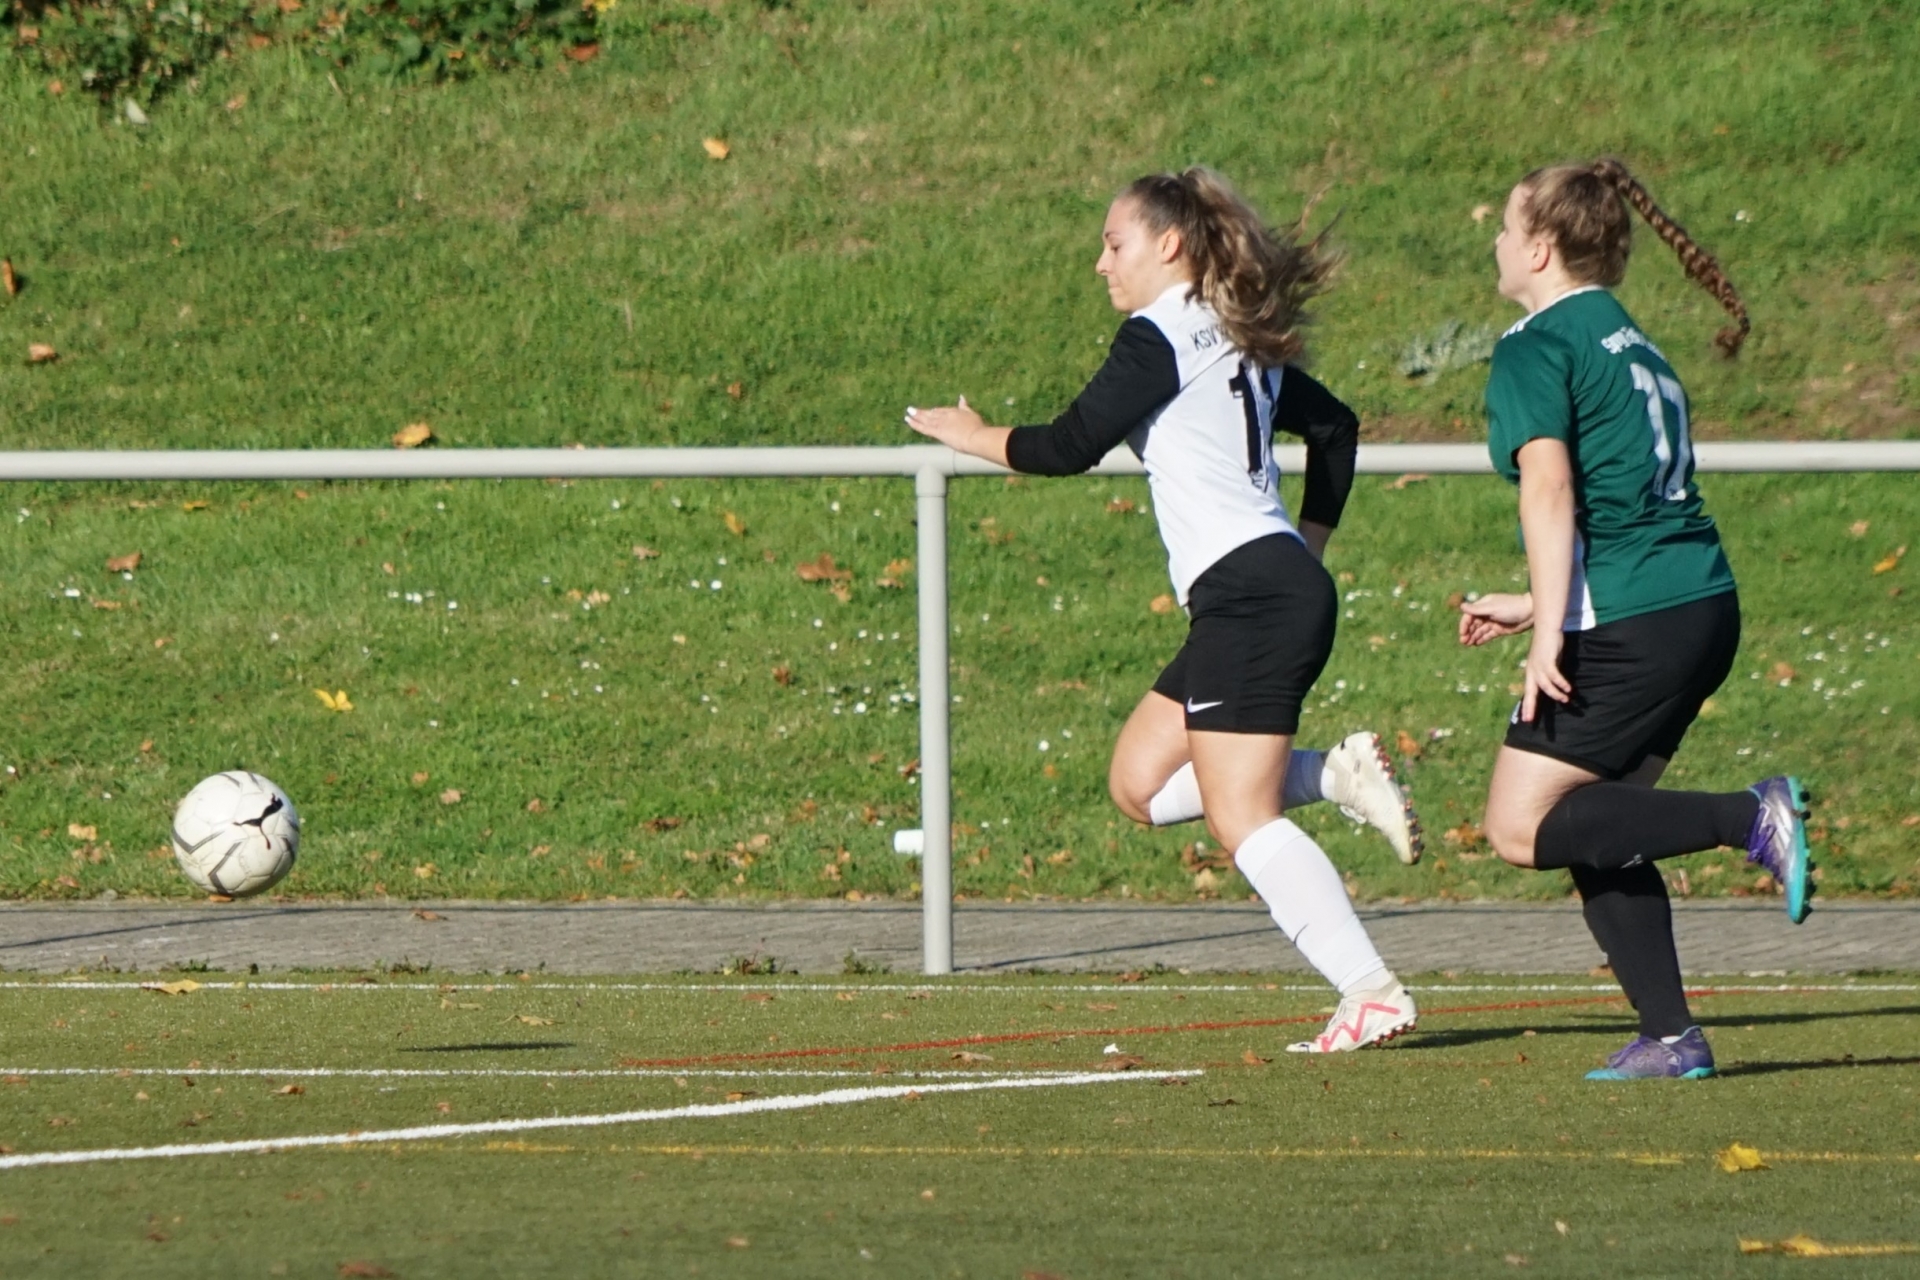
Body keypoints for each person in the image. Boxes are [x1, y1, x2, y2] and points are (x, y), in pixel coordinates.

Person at [908, 168, 1419, 1053]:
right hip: (1261, 591)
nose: (1101, 262)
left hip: (1252, 598)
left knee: (1240, 819)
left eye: (1115, 243)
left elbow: (1068, 446)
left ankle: (1367, 988)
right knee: (1139, 784)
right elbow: (1337, 426)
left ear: (1169, 245)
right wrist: (1309, 553)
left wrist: (972, 434)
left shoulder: (1159, 335)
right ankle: (1331, 776)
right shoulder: (1237, 334)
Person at [1458, 157, 1813, 1081]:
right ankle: (1670, 1035)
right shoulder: (1629, 337)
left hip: (1638, 621)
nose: (1493, 239)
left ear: (1539, 247)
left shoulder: (1535, 343)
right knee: (1597, 820)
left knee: (1519, 826)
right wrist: (1543, 601)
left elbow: (1551, 484)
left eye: (1504, 224)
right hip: (1695, 604)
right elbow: (1633, 505)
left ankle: (1751, 817)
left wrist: (1551, 636)